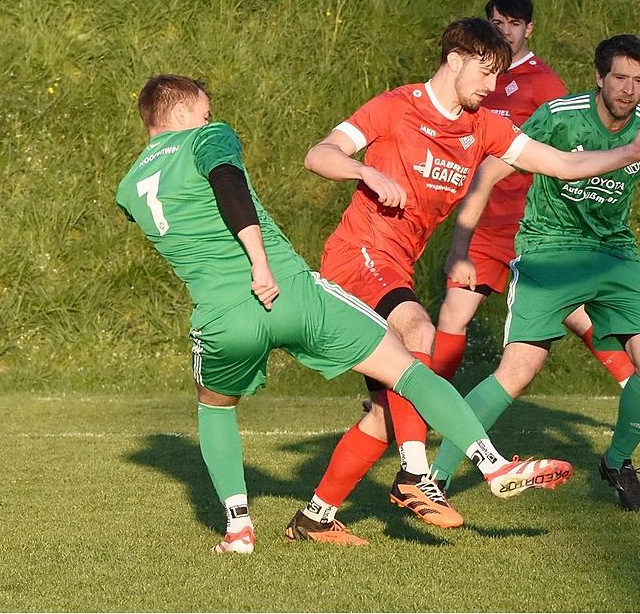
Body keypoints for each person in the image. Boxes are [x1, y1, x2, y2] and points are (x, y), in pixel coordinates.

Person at [115, 75, 575, 553]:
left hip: (222, 318)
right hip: (289, 292)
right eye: (205, 112)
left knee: (215, 409)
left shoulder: (128, 187)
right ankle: (491, 464)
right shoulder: (207, 136)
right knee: (405, 367)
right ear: (185, 113)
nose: (210, 120)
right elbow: (227, 182)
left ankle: (238, 530)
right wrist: (258, 262)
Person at [303, 19, 640, 529]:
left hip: (395, 265)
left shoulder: (483, 127)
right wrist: (363, 169)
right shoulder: (395, 107)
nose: (492, 86)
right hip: (356, 255)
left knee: (387, 412)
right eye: (485, 71)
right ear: (454, 58)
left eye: (500, 74)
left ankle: (316, 517)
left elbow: (562, 165)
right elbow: (318, 154)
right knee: (420, 331)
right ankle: (419, 476)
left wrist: (631, 153)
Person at [430, 34, 640, 513]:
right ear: (599, 77)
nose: (628, 89)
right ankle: (431, 479)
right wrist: (461, 245)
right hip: (548, 248)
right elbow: (490, 171)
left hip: (613, 254)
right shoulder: (560, 117)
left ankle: (617, 461)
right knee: (519, 369)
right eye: (620, 77)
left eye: (639, 81)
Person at [432, 0, 636, 389]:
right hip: (485, 224)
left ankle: (635, 386)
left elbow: (572, 145)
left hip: (531, 223)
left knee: (575, 311)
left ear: (529, 29)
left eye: (513, 23)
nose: (505, 31)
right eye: (497, 23)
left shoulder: (543, 84)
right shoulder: (476, 75)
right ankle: (428, 401)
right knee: (453, 313)